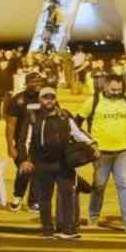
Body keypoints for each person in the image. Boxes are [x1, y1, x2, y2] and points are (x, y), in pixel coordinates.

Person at [17, 87, 97, 239]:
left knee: (67, 195)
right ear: (40, 100)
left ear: (56, 99)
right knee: (45, 197)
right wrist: (24, 159)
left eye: (52, 97)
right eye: (45, 98)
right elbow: (24, 141)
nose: (49, 101)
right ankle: (47, 229)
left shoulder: (64, 116)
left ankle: (68, 230)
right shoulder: (33, 118)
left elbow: (77, 133)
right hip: (41, 163)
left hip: (63, 163)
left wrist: (92, 143)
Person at [76, 75, 126, 233]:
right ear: (105, 86)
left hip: (123, 151)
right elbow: (77, 121)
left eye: (119, 89)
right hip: (100, 153)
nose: (116, 92)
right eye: (113, 89)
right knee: (99, 186)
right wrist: (86, 142)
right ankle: (93, 217)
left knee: (124, 185)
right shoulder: (93, 101)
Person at [6, 72, 43, 212]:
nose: (37, 84)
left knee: (38, 172)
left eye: (39, 81)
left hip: (41, 142)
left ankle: (34, 201)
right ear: (27, 83)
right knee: (25, 169)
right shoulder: (18, 100)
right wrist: (10, 146)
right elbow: (10, 125)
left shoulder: (45, 97)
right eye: (34, 81)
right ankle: (17, 197)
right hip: (23, 142)